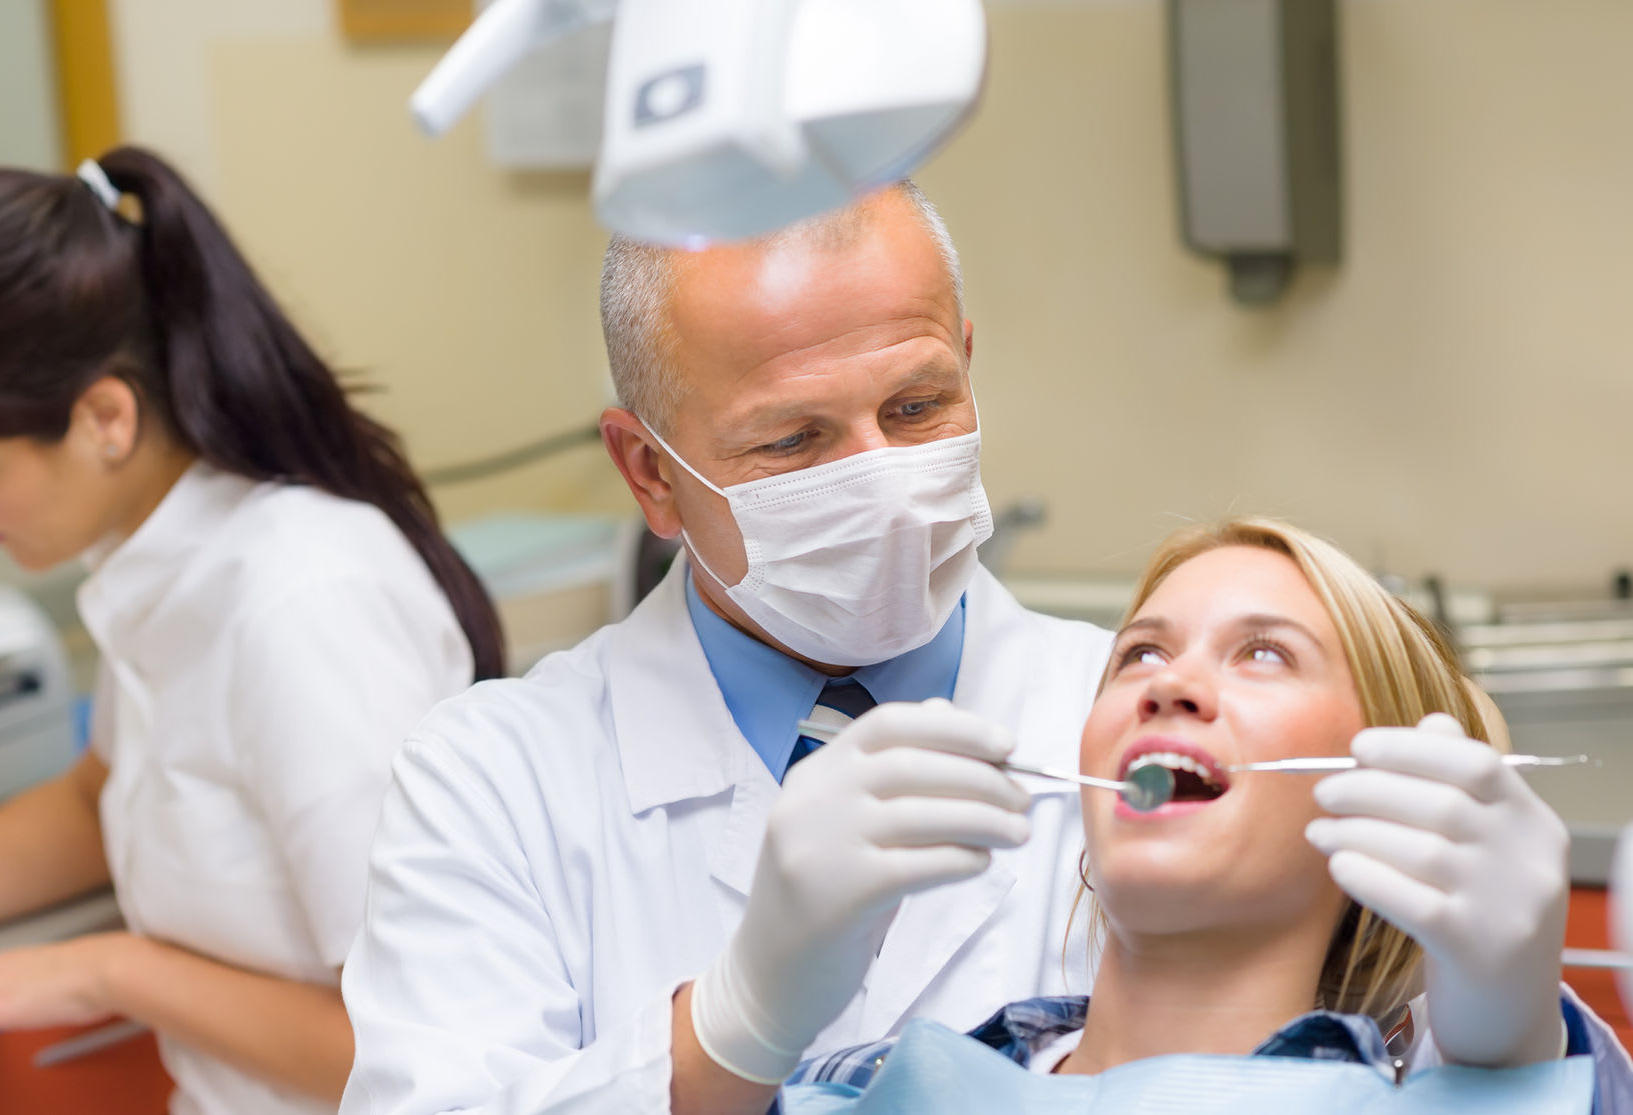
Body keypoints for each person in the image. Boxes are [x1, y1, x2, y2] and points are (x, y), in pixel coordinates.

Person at [0, 148, 502, 1115]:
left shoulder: (303, 608)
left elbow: (426, 1053)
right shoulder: (163, 559)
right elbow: (101, 798)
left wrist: (115, 973)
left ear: (104, 419)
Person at [338, 183, 1118, 1115]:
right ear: (651, 472)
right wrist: (730, 1026)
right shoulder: (491, 781)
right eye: (793, 439)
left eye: (917, 407)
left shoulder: (1127, 724)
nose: (883, 485)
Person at [779, 518, 1630, 1112]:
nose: (1167, 683)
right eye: (1141, 651)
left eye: (1265, 653)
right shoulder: (861, 1086)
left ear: (1391, 793)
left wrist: (1515, 1050)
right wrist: (748, 1015)